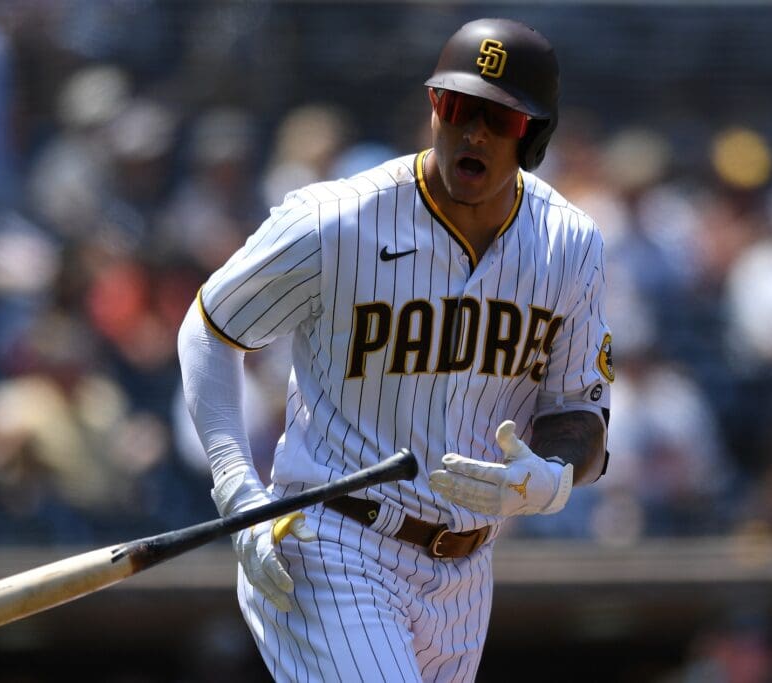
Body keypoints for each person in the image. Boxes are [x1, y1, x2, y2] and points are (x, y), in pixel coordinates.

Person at [178, 18, 612, 681]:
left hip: (467, 572)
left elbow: (579, 415)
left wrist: (553, 476)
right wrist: (237, 487)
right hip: (336, 543)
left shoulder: (569, 246)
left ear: (536, 136)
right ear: (433, 106)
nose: (472, 132)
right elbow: (210, 325)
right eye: (457, 106)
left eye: (500, 119)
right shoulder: (337, 220)